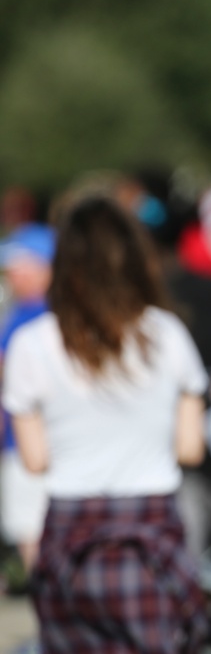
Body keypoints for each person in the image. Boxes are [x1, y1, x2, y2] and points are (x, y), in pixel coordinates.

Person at [2, 195, 210, 653]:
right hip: (150, 526)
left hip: (70, 529)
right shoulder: (167, 334)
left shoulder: (31, 344)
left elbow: (35, 461)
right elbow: (190, 448)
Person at [0, 224, 54, 579]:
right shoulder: (19, 312)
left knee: (34, 529)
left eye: (20, 266)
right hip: (20, 440)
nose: (12, 275)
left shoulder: (42, 317)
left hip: (34, 441)